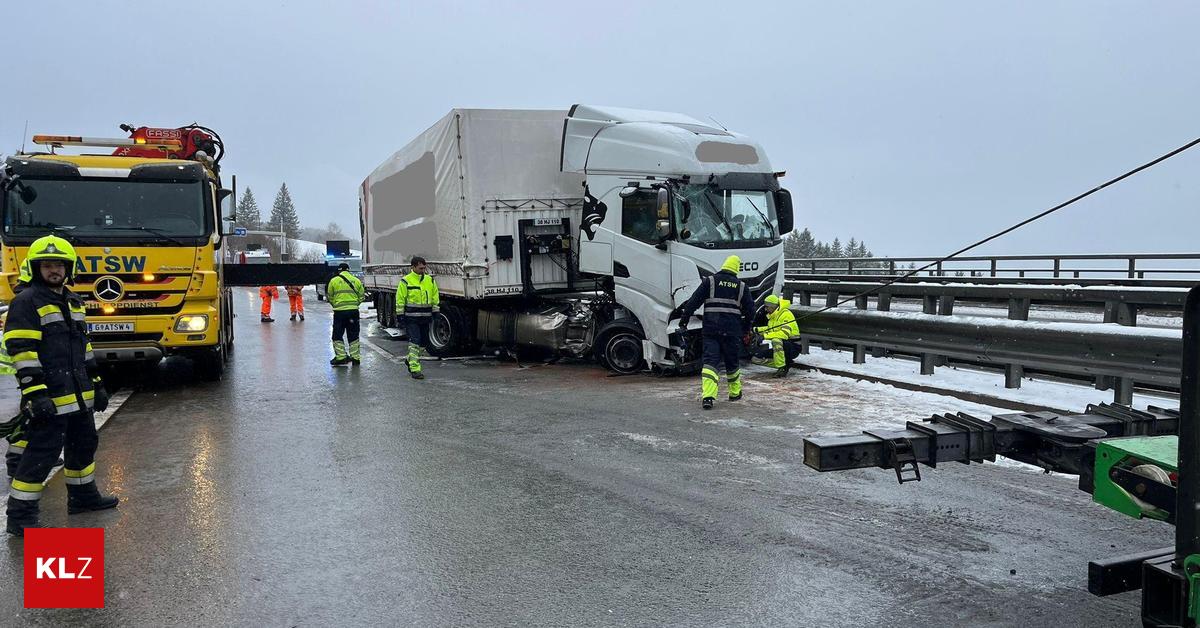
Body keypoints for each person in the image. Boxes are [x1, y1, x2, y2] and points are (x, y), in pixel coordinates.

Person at [5, 235, 117, 536]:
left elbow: (84, 347)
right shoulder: (26, 301)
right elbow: (22, 351)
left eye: (59, 265)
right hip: (49, 396)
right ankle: (20, 516)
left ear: (69, 269)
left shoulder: (73, 301)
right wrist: (35, 393)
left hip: (79, 395)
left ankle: (82, 497)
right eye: (47, 265)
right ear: (35, 268)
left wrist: (97, 383)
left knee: (83, 446)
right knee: (41, 454)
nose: (54, 270)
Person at [670, 255, 755, 410]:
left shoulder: (710, 282)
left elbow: (693, 302)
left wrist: (684, 320)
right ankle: (735, 393)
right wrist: (746, 328)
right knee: (732, 363)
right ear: (737, 268)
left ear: (724, 265)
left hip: (711, 330)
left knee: (710, 363)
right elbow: (750, 311)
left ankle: (708, 397)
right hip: (732, 331)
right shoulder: (742, 287)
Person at [395, 256, 439, 380]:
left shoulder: (430, 280)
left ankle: (410, 359)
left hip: (425, 317)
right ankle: (415, 369)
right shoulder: (406, 281)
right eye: (420, 268)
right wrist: (400, 315)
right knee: (415, 341)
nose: (423, 270)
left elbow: (435, 297)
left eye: (424, 268)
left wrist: (436, 312)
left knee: (424, 342)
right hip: (411, 318)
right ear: (413, 267)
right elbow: (400, 299)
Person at [752, 294, 800, 377]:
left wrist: (764, 336)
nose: (765, 309)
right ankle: (784, 364)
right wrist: (755, 330)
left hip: (793, 346)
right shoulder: (773, 315)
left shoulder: (786, 314)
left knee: (776, 340)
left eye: (767, 307)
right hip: (781, 347)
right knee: (756, 358)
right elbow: (771, 328)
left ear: (773, 306)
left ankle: (782, 368)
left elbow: (784, 334)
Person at [326, 263, 365, 366]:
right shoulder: (356, 281)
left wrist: (336, 304)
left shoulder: (334, 281)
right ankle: (355, 358)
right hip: (353, 312)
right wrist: (354, 304)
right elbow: (362, 296)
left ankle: (341, 357)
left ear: (339, 271)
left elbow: (329, 296)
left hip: (339, 313)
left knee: (337, 334)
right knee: (353, 335)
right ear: (348, 270)